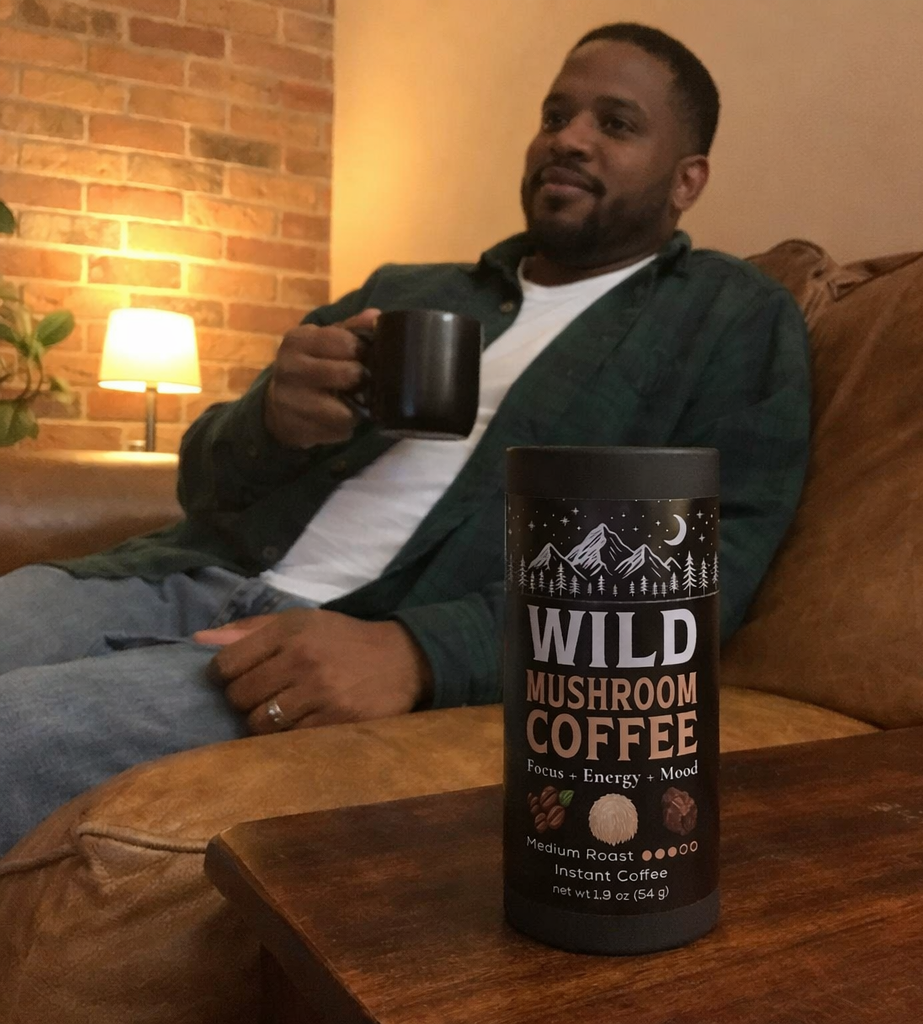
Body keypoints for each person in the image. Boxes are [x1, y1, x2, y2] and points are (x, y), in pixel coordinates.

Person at [0, 22, 810, 856]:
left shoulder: (728, 317)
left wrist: (420, 653)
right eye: (555, 115)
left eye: (615, 123)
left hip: (333, 640)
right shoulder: (406, 290)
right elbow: (202, 482)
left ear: (687, 179)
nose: (568, 139)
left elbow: (702, 568)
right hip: (176, 573)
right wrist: (271, 420)